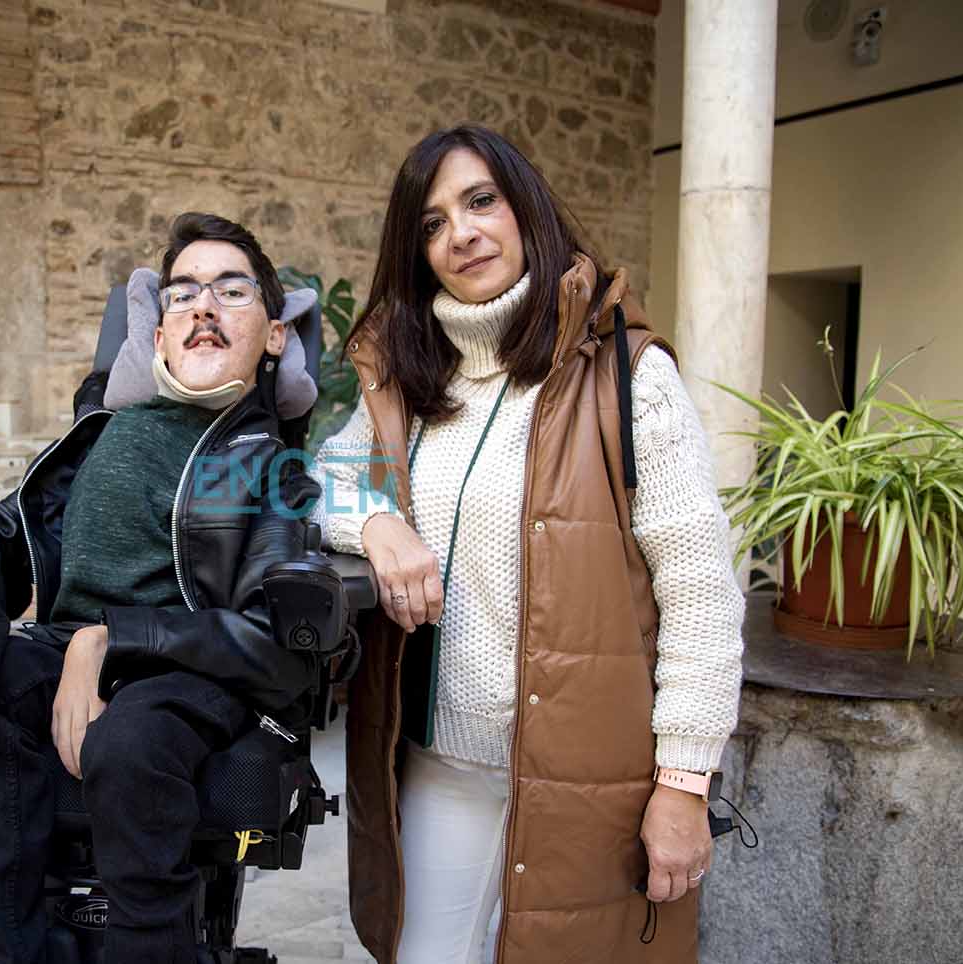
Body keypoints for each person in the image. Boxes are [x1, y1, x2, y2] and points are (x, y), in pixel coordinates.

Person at [311, 125, 745, 963]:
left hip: (594, 781)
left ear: (527, 209)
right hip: (443, 762)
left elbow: (699, 591)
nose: (462, 233)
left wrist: (685, 785)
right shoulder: (405, 383)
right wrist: (375, 522)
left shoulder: (629, 376)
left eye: (481, 201)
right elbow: (315, 478)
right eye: (433, 223)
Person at [0, 212, 321, 964]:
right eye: (182, 294)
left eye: (232, 291)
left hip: (187, 666)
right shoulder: (99, 435)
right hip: (65, 647)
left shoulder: (270, 466)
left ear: (273, 336)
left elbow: (269, 637)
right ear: (158, 336)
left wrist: (107, 640)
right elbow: (11, 527)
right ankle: (6, 950)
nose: (203, 306)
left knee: (131, 739)